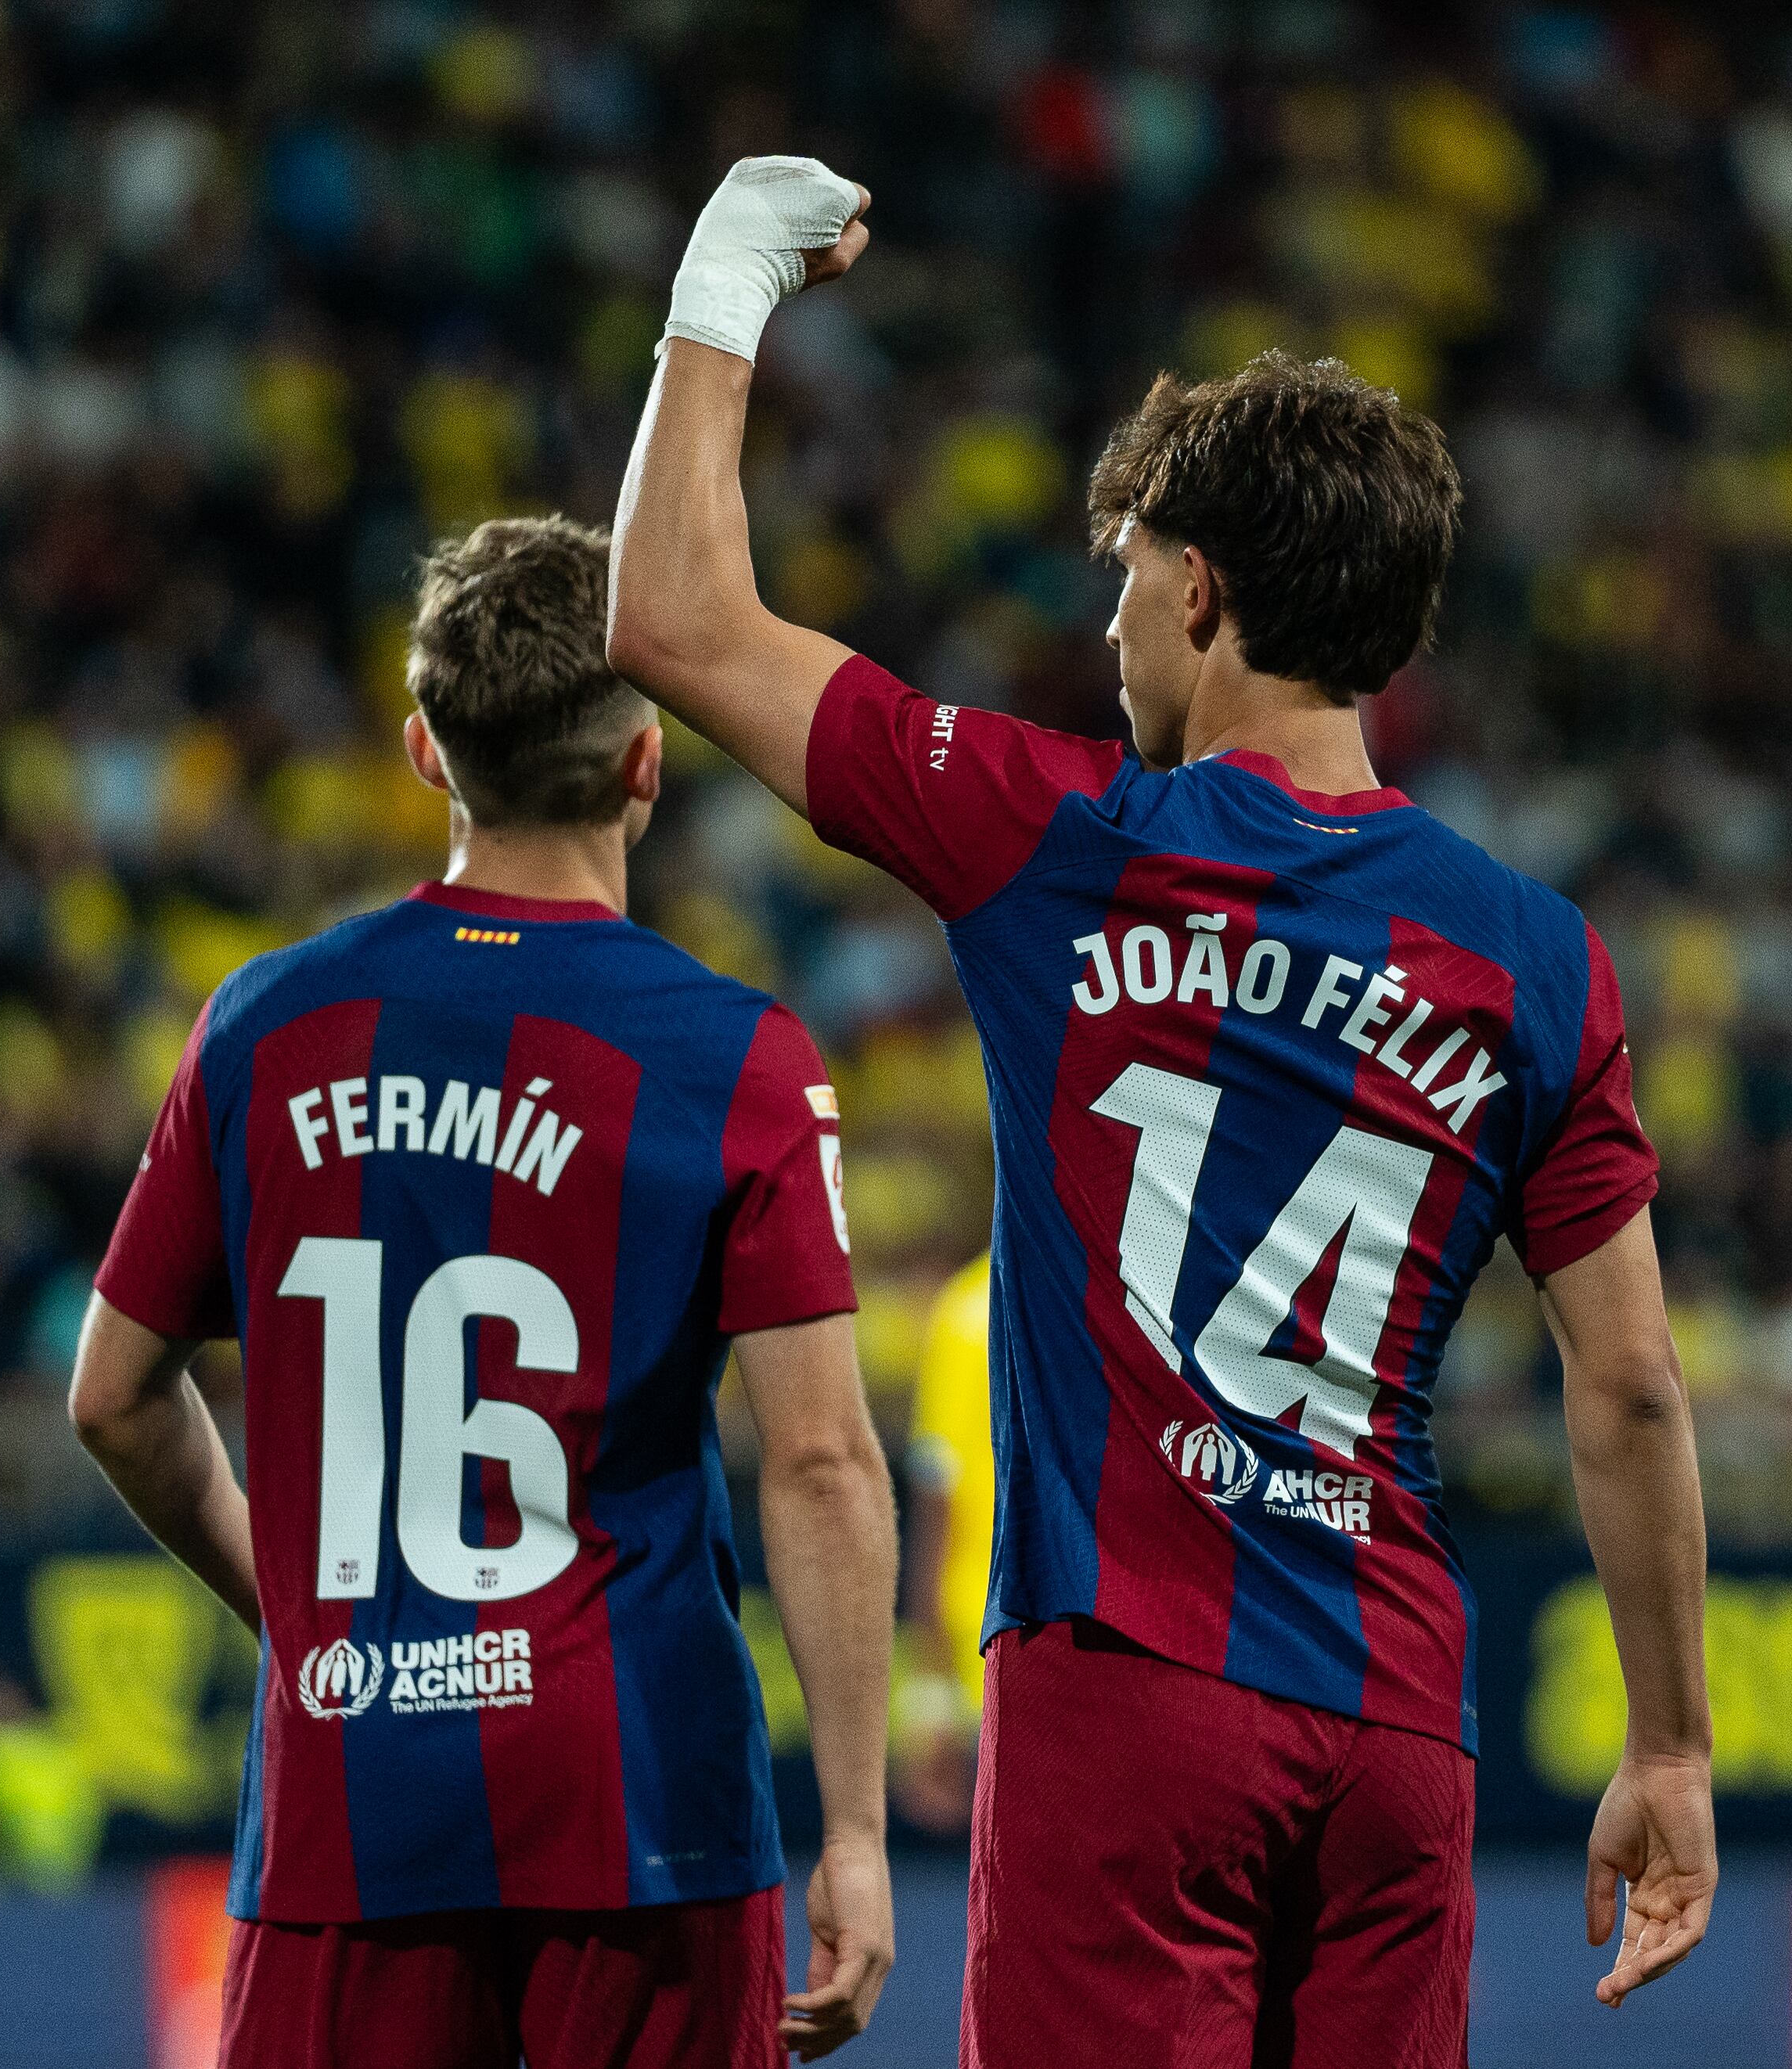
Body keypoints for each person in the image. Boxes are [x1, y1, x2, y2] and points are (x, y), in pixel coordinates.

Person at [608, 158, 1716, 2067]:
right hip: (1390, 1722)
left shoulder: (1056, 841)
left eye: (1122, 573)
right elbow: (1623, 1386)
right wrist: (1672, 1739)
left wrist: (721, 280)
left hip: (1126, 1691)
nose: (1107, 621)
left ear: (1196, 589)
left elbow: (673, 618)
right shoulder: (1535, 958)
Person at [71, 515, 897, 2068]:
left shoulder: (262, 1026)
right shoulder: (735, 1054)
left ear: (423, 754)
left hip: (353, 1791)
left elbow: (113, 1394)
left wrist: (303, 1607)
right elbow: (823, 1457)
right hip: (641, 1793)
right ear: (649, 760)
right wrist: (851, 1829)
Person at [893, 1250, 994, 1837]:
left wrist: (925, 1693)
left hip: (983, 1635)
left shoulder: (964, 1311)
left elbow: (935, 1499)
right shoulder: (1094, 1297)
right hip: (1046, 1631)